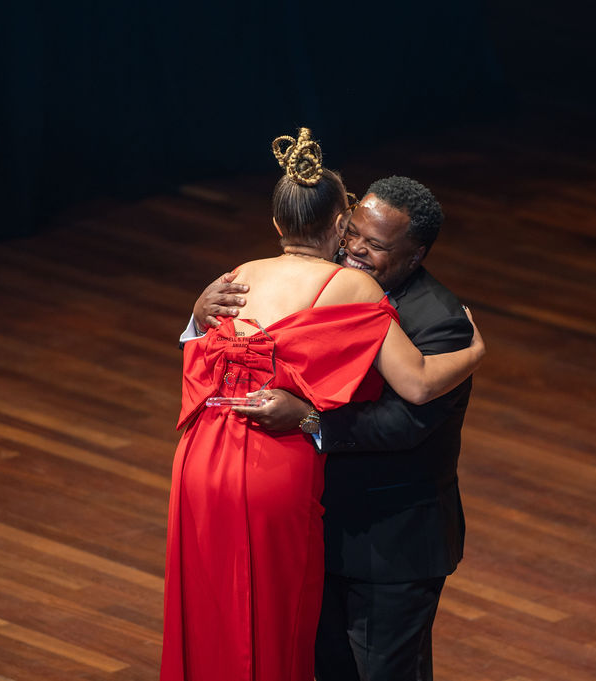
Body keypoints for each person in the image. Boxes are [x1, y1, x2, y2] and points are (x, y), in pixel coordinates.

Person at [161, 129, 484, 681]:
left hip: (377, 538)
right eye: (353, 233)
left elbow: (406, 418)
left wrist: (309, 418)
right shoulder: (346, 286)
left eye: (375, 245)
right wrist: (477, 352)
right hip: (290, 490)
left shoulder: (437, 321)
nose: (356, 249)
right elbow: (416, 384)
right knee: (279, 637)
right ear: (339, 223)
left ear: (416, 254)